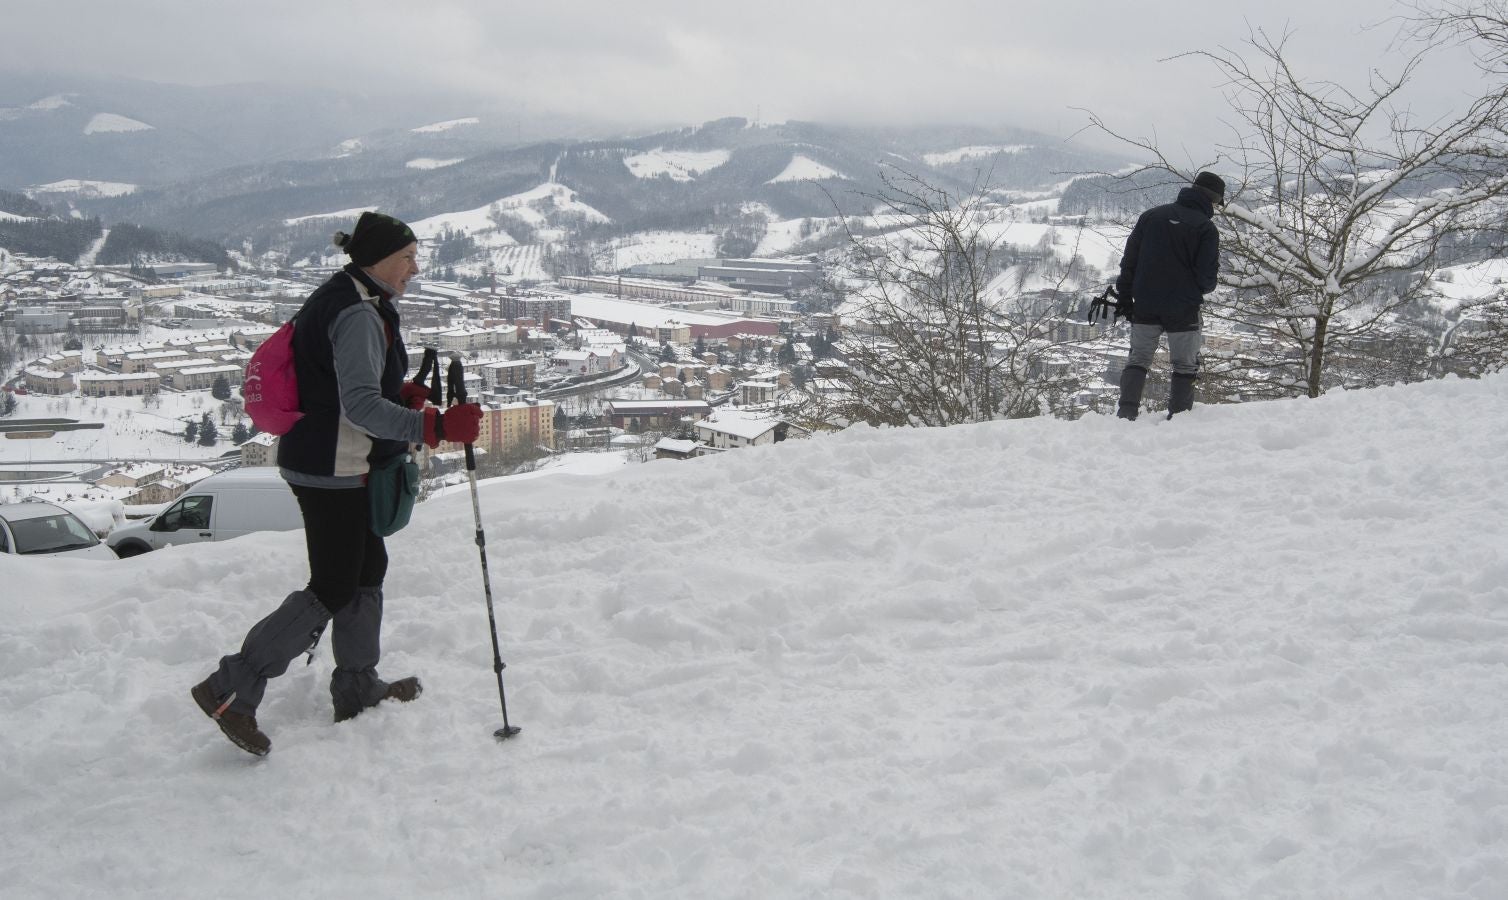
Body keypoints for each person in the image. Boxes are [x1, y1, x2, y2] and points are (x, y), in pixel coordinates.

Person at [192, 211, 483, 756]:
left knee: (367, 568)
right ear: (378, 261)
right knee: (333, 584)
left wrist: (403, 393)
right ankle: (232, 686)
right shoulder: (356, 312)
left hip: (337, 460)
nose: (414, 269)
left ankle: (356, 684)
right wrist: (433, 424)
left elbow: (347, 382)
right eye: (407, 259)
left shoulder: (350, 296)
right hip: (330, 467)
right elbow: (359, 405)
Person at [1113, 171, 1223, 420]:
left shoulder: (1151, 217)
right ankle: (1179, 418)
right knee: (1185, 364)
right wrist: (1197, 288)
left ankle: (1126, 414)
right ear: (1213, 200)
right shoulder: (1206, 228)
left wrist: (1125, 296)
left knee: (1138, 359)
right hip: (1184, 308)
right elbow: (1207, 278)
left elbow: (1129, 261)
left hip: (1145, 302)